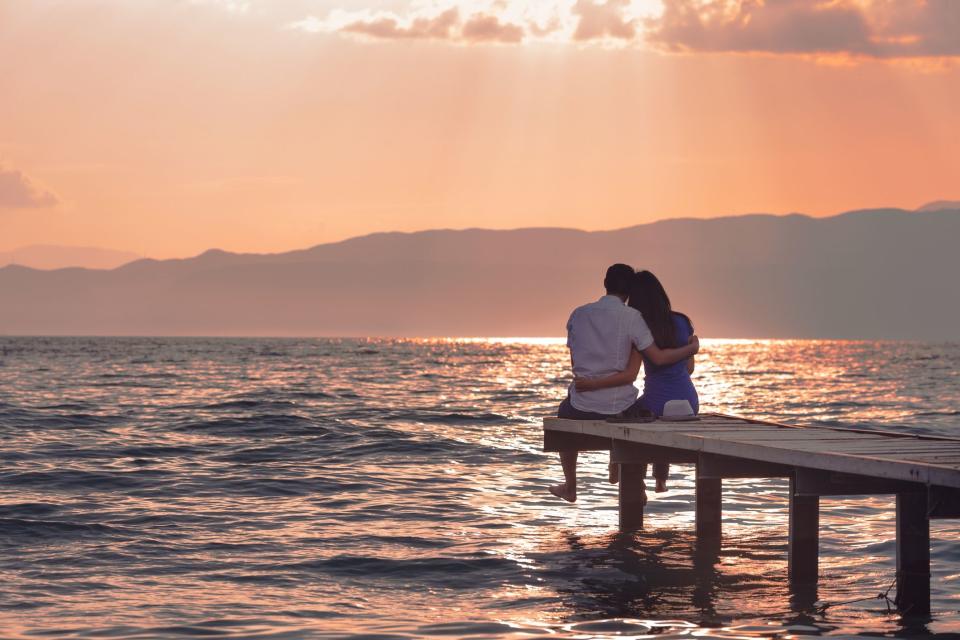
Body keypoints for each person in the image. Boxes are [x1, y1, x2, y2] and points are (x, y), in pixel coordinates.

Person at [551, 264, 699, 503]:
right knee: (644, 415)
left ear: (605, 283)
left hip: (583, 406)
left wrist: (591, 384)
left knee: (563, 413)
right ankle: (634, 471)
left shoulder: (578, 314)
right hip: (628, 407)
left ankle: (571, 485)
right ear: (629, 291)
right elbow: (659, 362)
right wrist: (691, 348)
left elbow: (576, 362)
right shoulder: (637, 319)